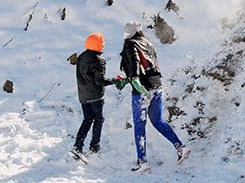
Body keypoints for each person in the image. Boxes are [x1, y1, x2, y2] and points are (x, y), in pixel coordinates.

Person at [119, 21, 189, 172]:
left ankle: (142, 162)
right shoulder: (148, 42)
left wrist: (134, 79)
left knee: (139, 125)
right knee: (158, 121)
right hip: (157, 86)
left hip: (142, 89)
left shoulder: (130, 44)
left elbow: (135, 62)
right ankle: (180, 147)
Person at [72, 33, 118, 160]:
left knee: (87, 119)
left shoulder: (81, 57)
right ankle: (94, 146)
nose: (103, 45)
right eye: (102, 43)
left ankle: (78, 146)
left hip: (83, 95)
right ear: (98, 44)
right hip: (95, 97)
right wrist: (115, 80)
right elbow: (100, 81)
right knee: (98, 119)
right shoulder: (99, 61)